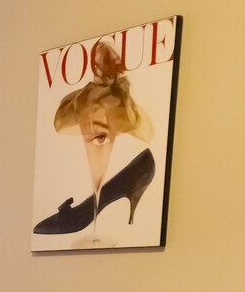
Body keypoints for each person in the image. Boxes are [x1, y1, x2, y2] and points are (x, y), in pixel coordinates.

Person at [35, 40, 158, 235]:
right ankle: (122, 183)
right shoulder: (84, 99)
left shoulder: (120, 102)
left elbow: (140, 129)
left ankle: (98, 203)